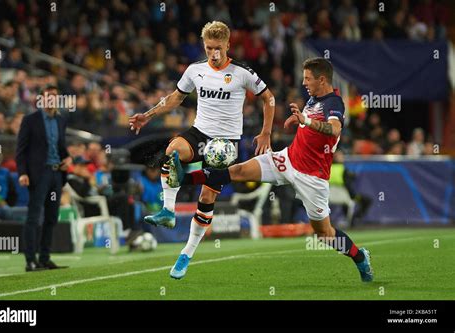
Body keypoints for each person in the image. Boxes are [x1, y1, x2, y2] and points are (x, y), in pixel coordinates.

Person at [166, 57, 374, 282]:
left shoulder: (334, 103)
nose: (303, 83)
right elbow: (311, 129)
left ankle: (360, 258)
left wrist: (306, 121)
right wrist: (298, 122)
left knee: (324, 234)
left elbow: (333, 130)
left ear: (322, 79)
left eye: (307, 79)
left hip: (312, 177)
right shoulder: (314, 98)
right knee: (238, 171)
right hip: (287, 159)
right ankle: (182, 178)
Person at [128, 21, 275, 265]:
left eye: (218, 48)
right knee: (172, 150)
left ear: (228, 45)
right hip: (200, 133)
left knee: (207, 196)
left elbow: (268, 99)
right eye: (209, 48)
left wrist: (266, 132)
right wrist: (148, 115)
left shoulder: (242, 72)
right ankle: (168, 211)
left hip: (226, 142)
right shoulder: (195, 70)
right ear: (204, 47)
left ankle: (186, 253)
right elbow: (175, 98)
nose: (214, 54)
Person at [16, 85, 72, 272]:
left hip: (56, 174)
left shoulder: (61, 120)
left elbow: (61, 147)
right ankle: (30, 261)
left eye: (55, 96)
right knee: (33, 217)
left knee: (51, 218)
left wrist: (68, 158)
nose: (51, 100)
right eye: (48, 96)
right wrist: (22, 173)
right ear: (41, 99)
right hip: (39, 174)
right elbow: (21, 150)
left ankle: (45, 258)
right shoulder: (30, 120)